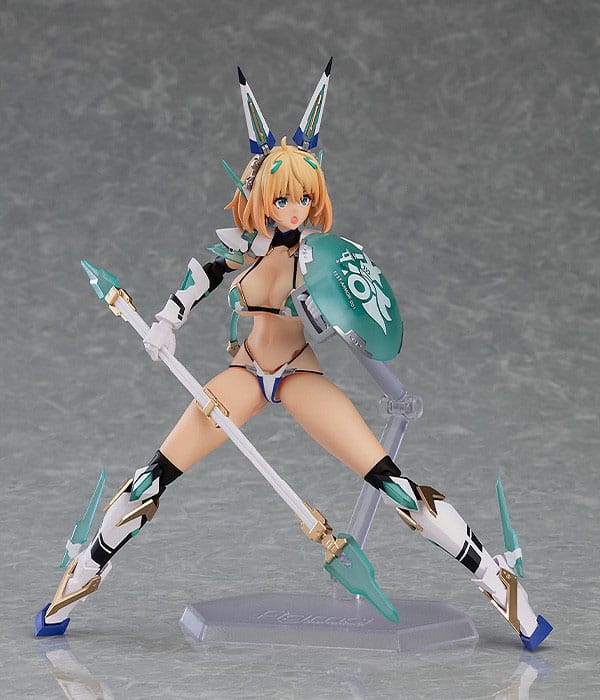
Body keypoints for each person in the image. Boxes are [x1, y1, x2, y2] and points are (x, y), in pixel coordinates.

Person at [35, 61, 551, 650]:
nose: (295, 207)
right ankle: (85, 572)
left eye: (305, 197)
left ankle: (496, 579)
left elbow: (358, 307)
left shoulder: (324, 253)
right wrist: (165, 322)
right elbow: (201, 278)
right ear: (260, 197)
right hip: (245, 374)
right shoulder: (243, 250)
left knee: (392, 482)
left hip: (300, 374)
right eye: (283, 198)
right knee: (152, 477)